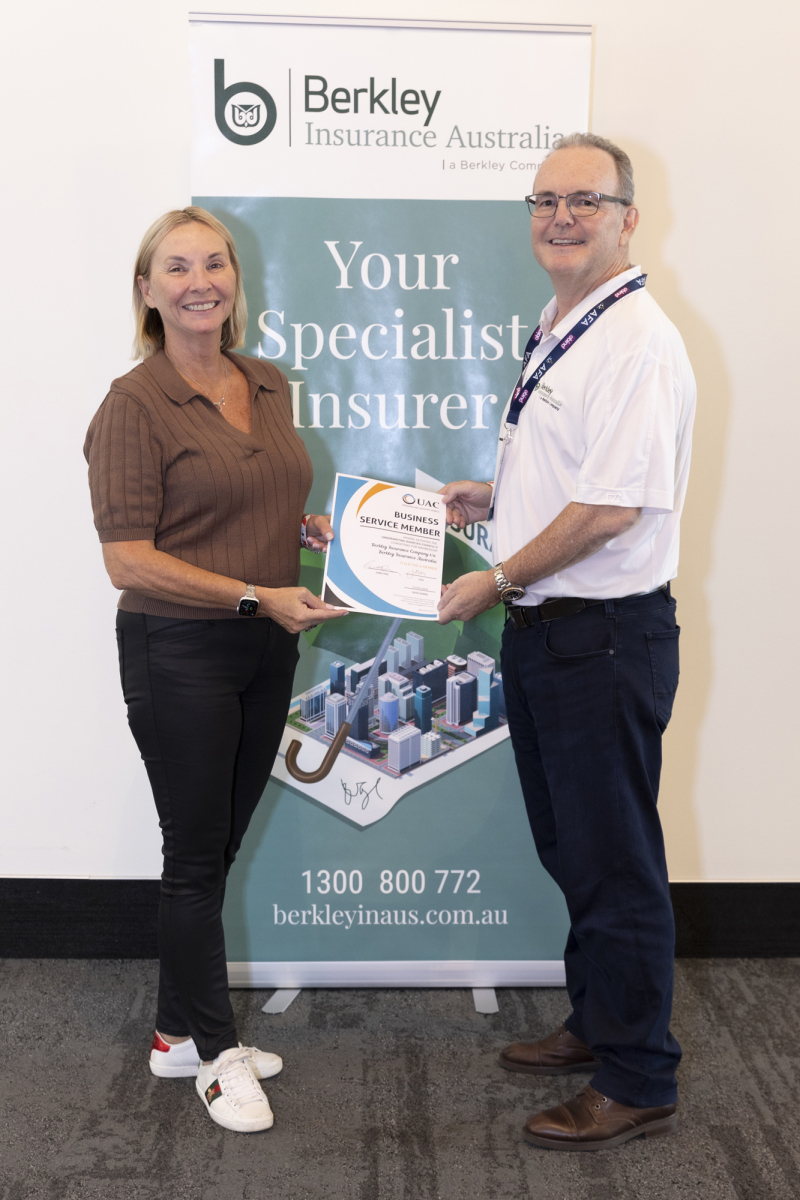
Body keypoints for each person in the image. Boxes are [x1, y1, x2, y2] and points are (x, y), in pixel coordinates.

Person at [438, 134, 695, 1151]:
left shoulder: (635, 340)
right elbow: (574, 475)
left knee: (614, 861)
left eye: (584, 200)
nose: (560, 217)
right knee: (575, 850)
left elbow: (610, 508)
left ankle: (637, 1076)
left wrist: (497, 574)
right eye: (544, 200)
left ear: (627, 217)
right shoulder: (565, 322)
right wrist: (495, 498)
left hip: (602, 638)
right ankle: (599, 1020)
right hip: (552, 632)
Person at [84, 206, 346, 1134]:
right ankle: (216, 1055)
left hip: (263, 645)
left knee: (217, 846)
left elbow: (255, 498)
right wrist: (252, 594)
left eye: (214, 263)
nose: (200, 281)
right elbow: (128, 559)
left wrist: (304, 533)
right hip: (180, 650)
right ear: (148, 291)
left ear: (236, 278)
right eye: (177, 267)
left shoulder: (264, 382)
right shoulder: (132, 405)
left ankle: (173, 1034)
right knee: (193, 857)